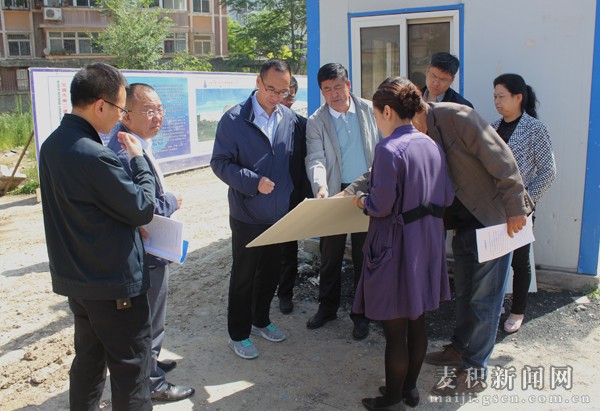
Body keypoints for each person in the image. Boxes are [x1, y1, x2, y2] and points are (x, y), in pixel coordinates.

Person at [346, 99, 531, 396]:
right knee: (465, 294)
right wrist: (349, 191)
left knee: (485, 301)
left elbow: (500, 157)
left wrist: (516, 206)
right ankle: (458, 350)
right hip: (462, 223)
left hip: (493, 220)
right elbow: (379, 172)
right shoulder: (414, 136)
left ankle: (474, 371)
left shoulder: (457, 116)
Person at [38, 63, 156, 411]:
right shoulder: (95, 155)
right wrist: (139, 160)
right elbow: (142, 208)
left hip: (79, 280)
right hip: (112, 284)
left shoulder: (53, 144)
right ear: (101, 105)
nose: (121, 116)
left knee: (88, 362)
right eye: (120, 108)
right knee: (131, 367)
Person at [353, 77, 455, 411]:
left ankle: (393, 399)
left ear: (386, 111)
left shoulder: (388, 149)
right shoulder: (430, 143)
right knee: (417, 321)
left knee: (395, 330)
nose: (376, 121)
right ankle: (409, 389)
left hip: (396, 244)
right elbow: (447, 196)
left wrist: (362, 201)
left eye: (375, 114)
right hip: (428, 241)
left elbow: (380, 205)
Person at [107, 83, 195, 401]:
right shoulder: (124, 152)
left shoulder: (137, 142)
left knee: (152, 317)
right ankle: (152, 382)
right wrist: (171, 201)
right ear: (126, 114)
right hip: (144, 254)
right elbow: (144, 208)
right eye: (149, 110)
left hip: (152, 247)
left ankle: (151, 364)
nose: (157, 116)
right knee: (148, 321)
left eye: (159, 109)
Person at [211, 58, 302, 359]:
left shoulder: (289, 118)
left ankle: (260, 320)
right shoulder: (234, 119)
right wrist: (253, 182)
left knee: (271, 272)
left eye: (283, 91)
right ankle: (238, 334)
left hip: (278, 213)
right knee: (244, 275)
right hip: (247, 213)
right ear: (258, 82)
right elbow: (219, 163)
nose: (276, 97)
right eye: (271, 89)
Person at [305, 63, 381, 340]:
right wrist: (321, 188)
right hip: (335, 193)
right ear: (322, 91)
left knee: (364, 256)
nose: (334, 94)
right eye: (327, 89)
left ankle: (361, 314)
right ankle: (327, 308)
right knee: (330, 255)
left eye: (338, 86)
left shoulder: (369, 110)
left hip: (367, 192)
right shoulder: (316, 121)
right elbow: (316, 158)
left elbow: (383, 148)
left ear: (348, 85)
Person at [492, 73, 556, 333]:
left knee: (519, 261)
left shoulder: (534, 128)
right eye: (495, 96)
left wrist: (526, 202)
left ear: (518, 97)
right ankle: (496, 304)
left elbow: (548, 171)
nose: (497, 101)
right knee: (494, 259)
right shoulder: (493, 127)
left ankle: (517, 311)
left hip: (521, 207)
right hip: (493, 207)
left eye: (502, 96)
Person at [277, 76, 312, 314]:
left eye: (290, 96)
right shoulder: (258, 122)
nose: (286, 100)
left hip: (291, 198)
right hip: (263, 198)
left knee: (288, 249)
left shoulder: (302, 125)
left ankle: (285, 293)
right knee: (262, 251)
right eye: (282, 94)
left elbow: (307, 163)